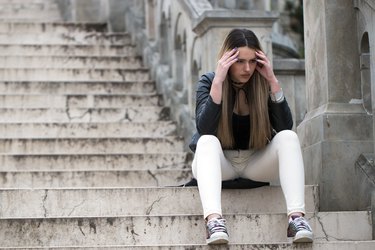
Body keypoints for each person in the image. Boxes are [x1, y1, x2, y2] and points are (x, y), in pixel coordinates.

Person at [189, 28, 313, 245]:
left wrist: (272, 81)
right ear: (227, 59)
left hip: (255, 163)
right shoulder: (209, 81)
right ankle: (214, 221)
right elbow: (205, 128)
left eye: (253, 61)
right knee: (207, 141)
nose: (247, 68)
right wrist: (218, 82)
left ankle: (297, 219)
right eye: (240, 62)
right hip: (220, 164)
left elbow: (284, 126)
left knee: (288, 137)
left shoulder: (261, 83)